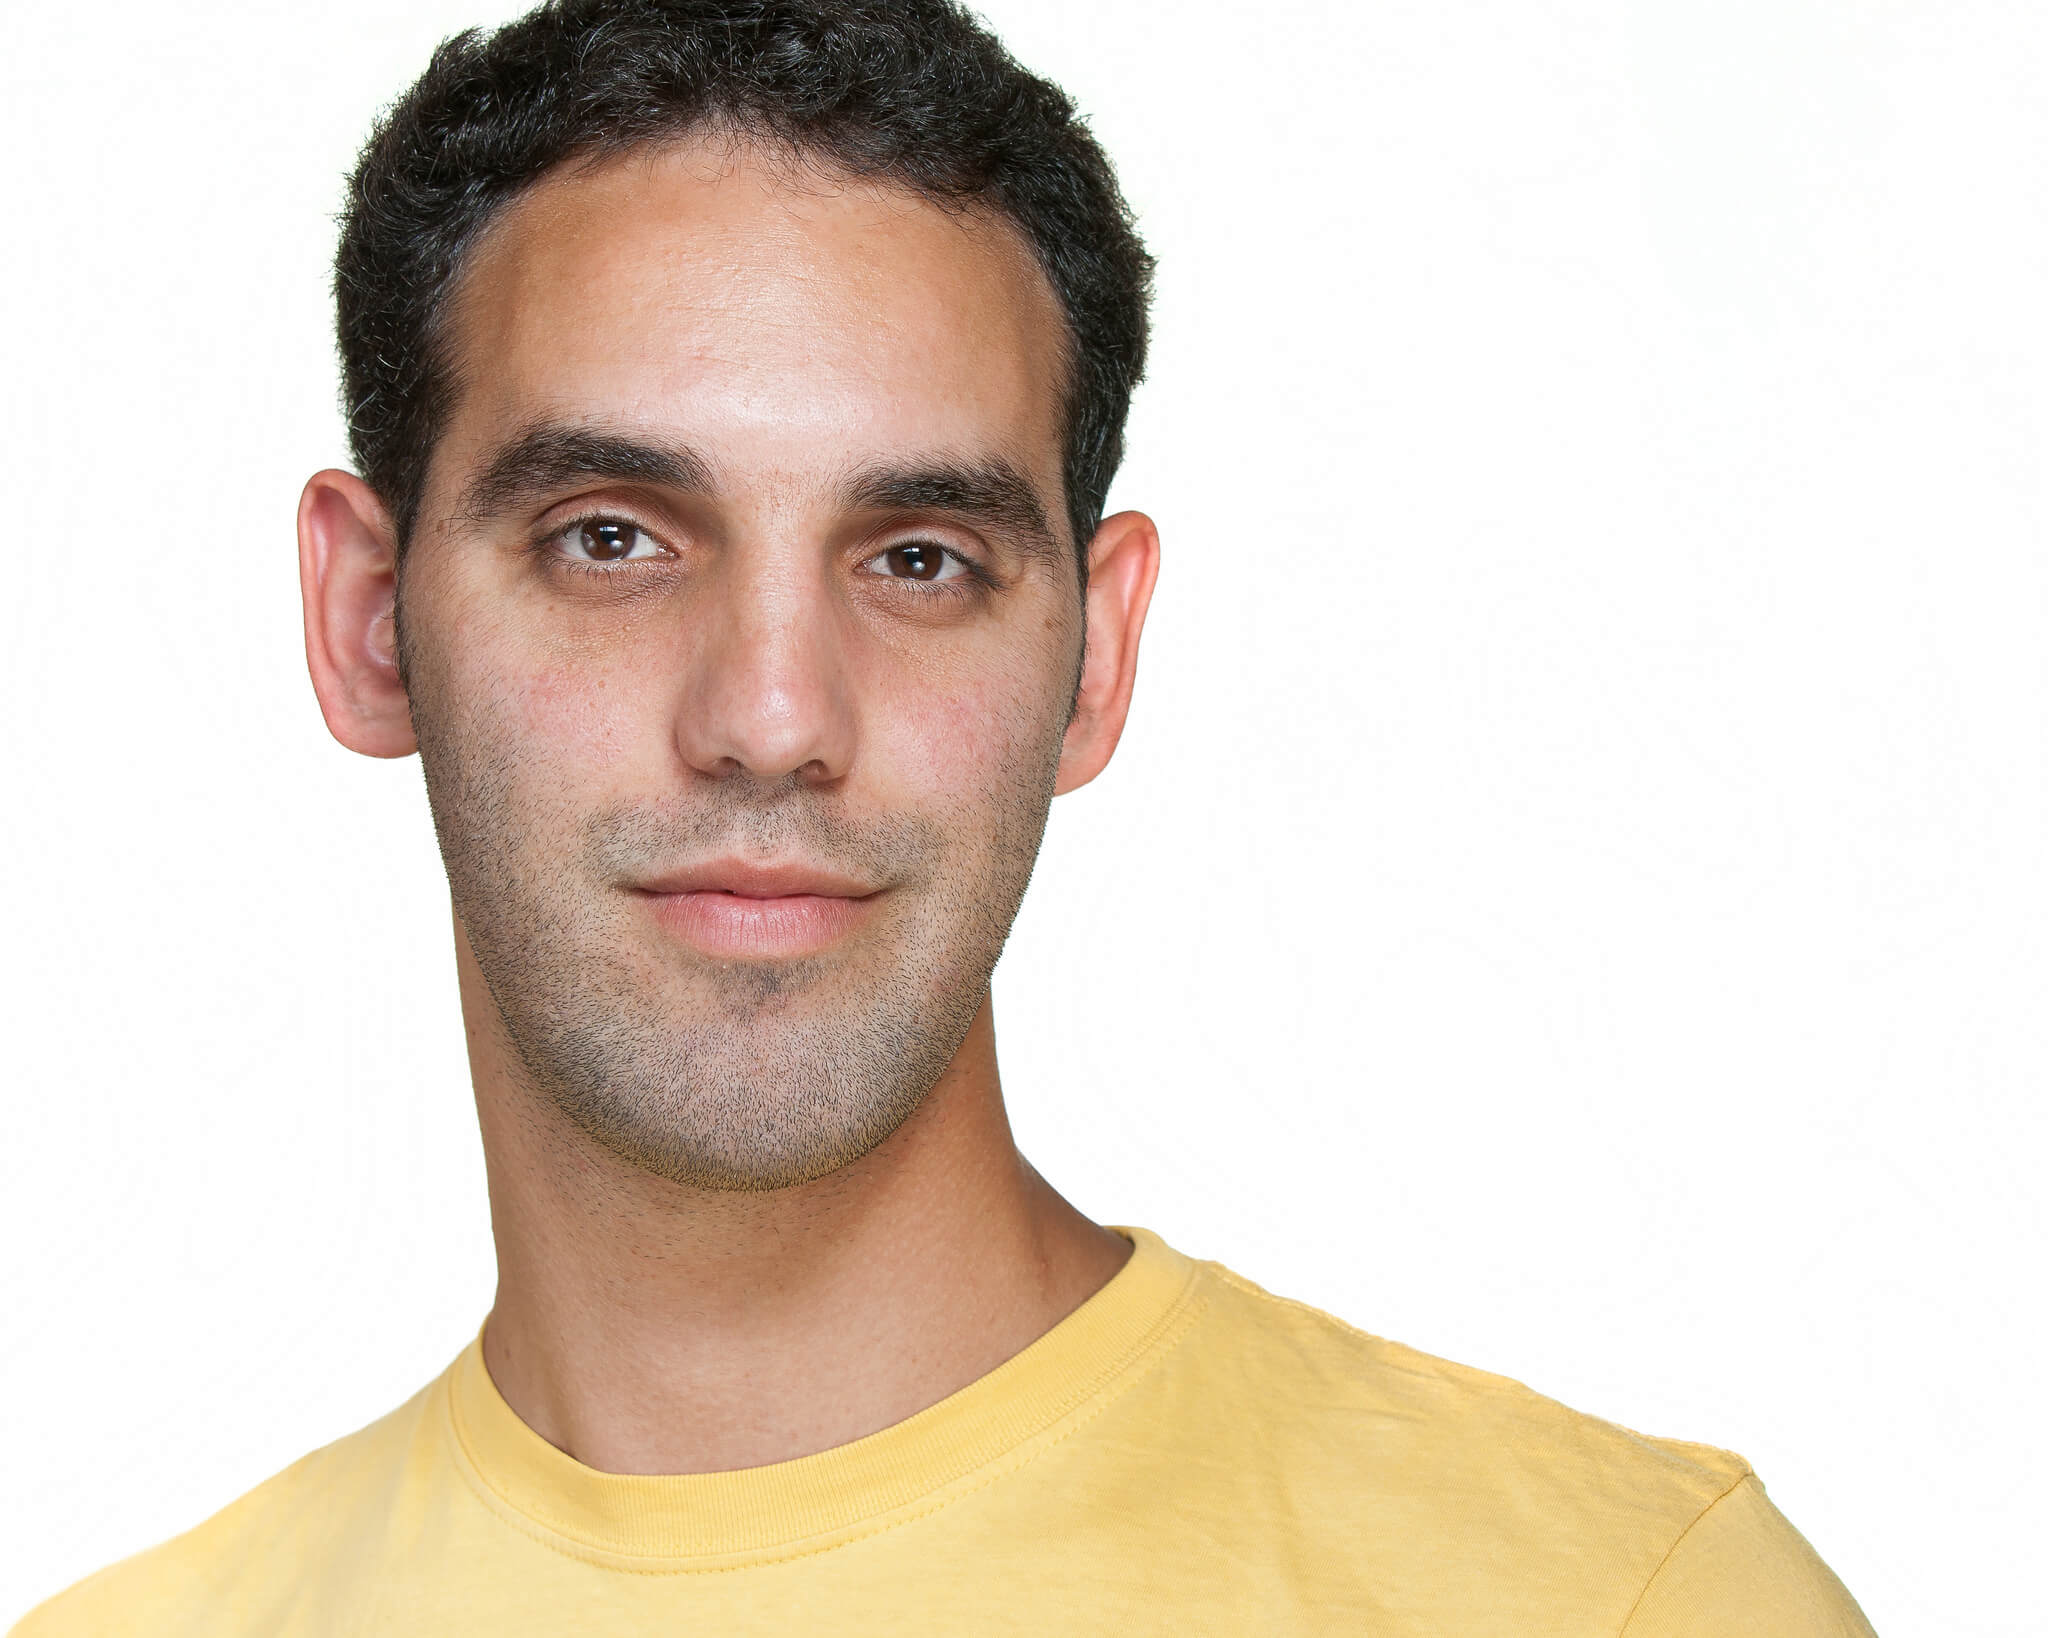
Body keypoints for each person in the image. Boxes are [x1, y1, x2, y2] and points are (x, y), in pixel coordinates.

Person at [14, 2, 1875, 1632]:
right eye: (612, 539)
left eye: (917, 557)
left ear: (1093, 653)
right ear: (366, 620)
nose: (770, 718)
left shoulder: (1621, 1610)